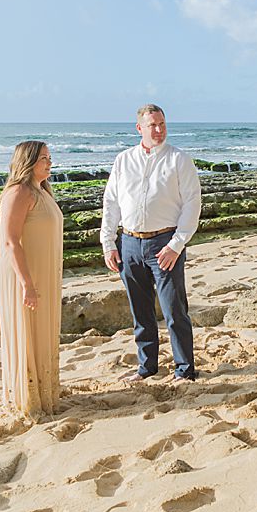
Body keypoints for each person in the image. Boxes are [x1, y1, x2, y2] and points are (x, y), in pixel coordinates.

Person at [100, 104, 202, 382]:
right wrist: (108, 242)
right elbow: (111, 202)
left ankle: (184, 370)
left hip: (165, 243)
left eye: (162, 124)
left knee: (174, 310)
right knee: (140, 312)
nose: (158, 130)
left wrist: (176, 245)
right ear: (139, 129)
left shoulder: (179, 159)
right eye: (152, 125)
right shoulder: (123, 160)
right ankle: (147, 368)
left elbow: (193, 204)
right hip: (129, 243)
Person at [0, 140, 63, 417]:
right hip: (26, 276)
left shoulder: (42, 190)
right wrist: (27, 284)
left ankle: (45, 391)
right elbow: (11, 242)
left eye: (49, 157)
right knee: (28, 331)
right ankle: (27, 399)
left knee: (43, 331)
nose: (49, 162)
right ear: (28, 161)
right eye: (44, 158)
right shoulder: (19, 192)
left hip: (44, 274)